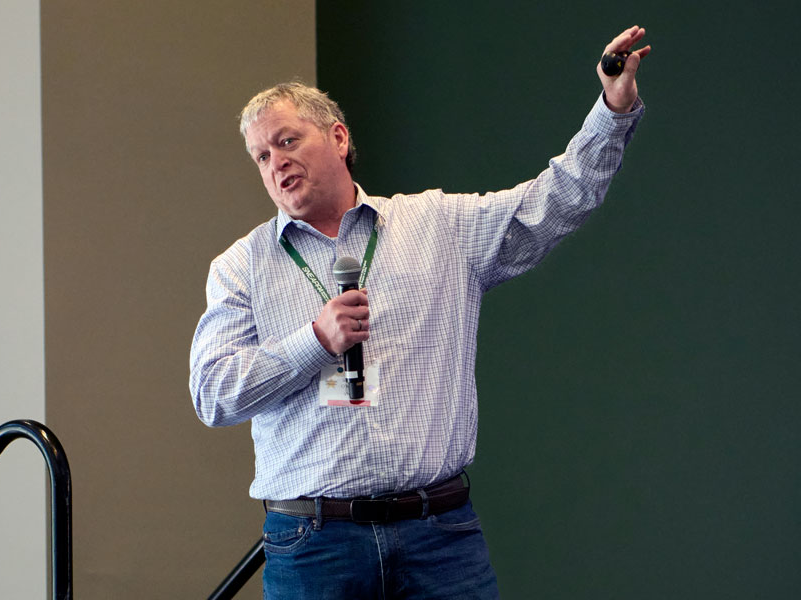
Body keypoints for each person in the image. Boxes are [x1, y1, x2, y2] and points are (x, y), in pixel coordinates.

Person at [190, 26, 650, 599]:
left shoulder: (437, 226)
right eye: (261, 155)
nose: (275, 163)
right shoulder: (241, 267)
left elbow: (551, 203)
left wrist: (612, 108)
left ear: (337, 137)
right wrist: (314, 340)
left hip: (439, 537)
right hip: (314, 544)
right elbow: (213, 394)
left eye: (286, 141)